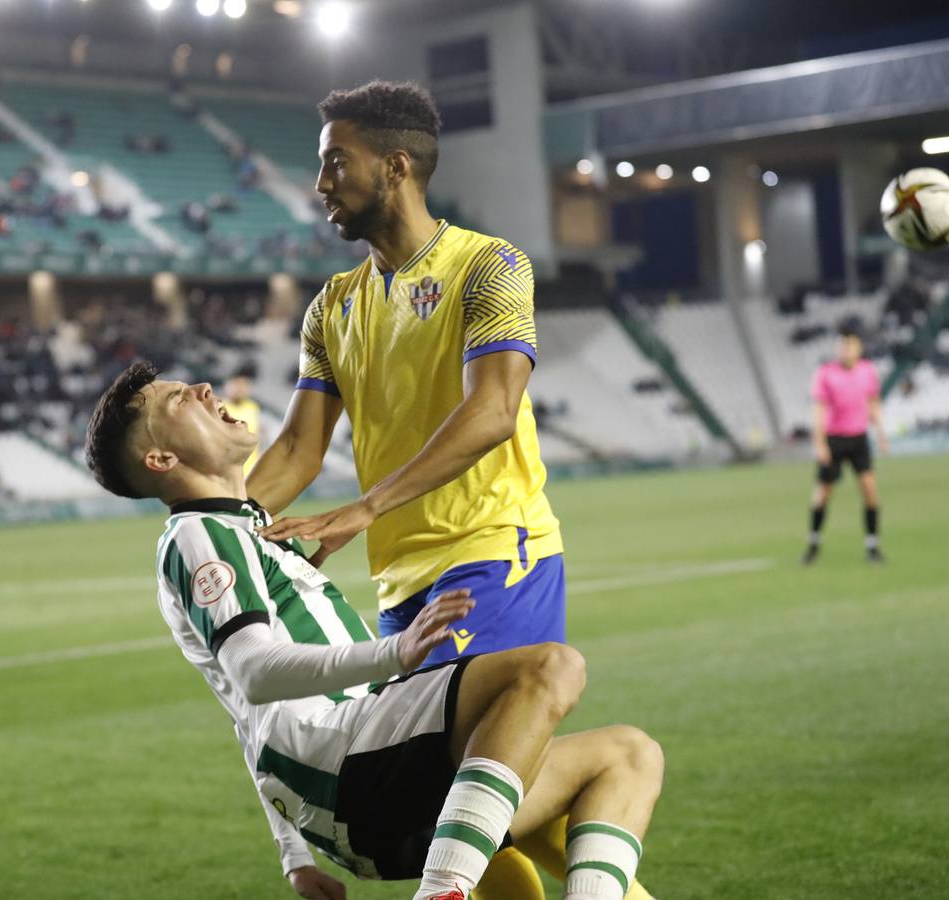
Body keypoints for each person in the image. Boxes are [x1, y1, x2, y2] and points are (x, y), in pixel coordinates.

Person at [246, 80, 655, 900]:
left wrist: (365, 507)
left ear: (395, 167)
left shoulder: (489, 266)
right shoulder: (333, 307)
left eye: (336, 163)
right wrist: (217, 520)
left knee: (459, 798)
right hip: (400, 596)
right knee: (485, 805)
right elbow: (296, 446)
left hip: (494, 555)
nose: (321, 182)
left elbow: (493, 411)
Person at [83, 362, 664, 900]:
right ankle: (442, 889)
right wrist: (397, 651)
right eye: (179, 399)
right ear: (160, 459)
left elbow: (242, 710)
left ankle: (456, 878)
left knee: (630, 756)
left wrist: (292, 855)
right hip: (348, 761)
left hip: (367, 786)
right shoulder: (200, 533)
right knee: (549, 668)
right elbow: (253, 673)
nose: (204, 389)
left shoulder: (245, 532)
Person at [803, 320, 889, 565]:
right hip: (834, 439)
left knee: (870, 491)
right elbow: (818, 410)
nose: (845, 349)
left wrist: (881, 434)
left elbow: (873, 403)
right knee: (823, 494)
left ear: (858, 347)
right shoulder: (826, 373)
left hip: (858, 438)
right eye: (841, 345)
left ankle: (872, 546)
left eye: (849, 345)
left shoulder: (867, 371)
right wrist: (820, 443)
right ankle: (813, 544)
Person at [222, 369, 264, 474]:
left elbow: (256, 434)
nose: (240, 389)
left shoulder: (252, 407)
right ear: (227, 386)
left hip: (249, 468)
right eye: (237, 385)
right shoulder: (219, 407)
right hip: (225, 469)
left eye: (244, 386)